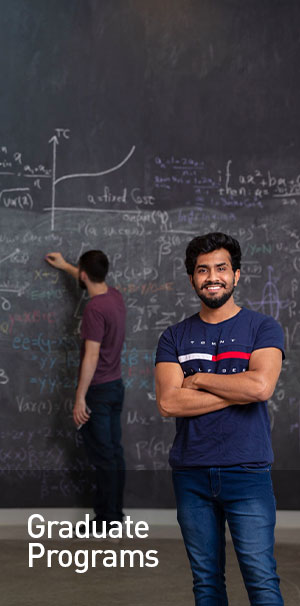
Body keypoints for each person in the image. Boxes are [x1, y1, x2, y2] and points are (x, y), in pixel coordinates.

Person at [155, 232, 284, 605]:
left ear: (237, 275)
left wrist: (196, 381)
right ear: (192, 278)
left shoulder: (263, 328)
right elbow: (168, 403)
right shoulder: (173, 336)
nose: (213, 277)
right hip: (191, 474)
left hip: (247, 472)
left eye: (221, 268)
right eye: (203, 270)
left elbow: (261, 388)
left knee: (261, 580)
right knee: (207, 584)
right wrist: (235, 389)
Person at [45, 250, 126, 531]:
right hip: (115, 386)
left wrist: (80, 398)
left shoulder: (94, 309)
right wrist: (68, 266)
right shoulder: (114, 296)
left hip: (99, 391)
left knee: (104, 458)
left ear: (83, 274)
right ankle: (114, 515)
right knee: (114, 454)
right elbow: (87, 277)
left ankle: (106, 520)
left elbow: (91, 357)